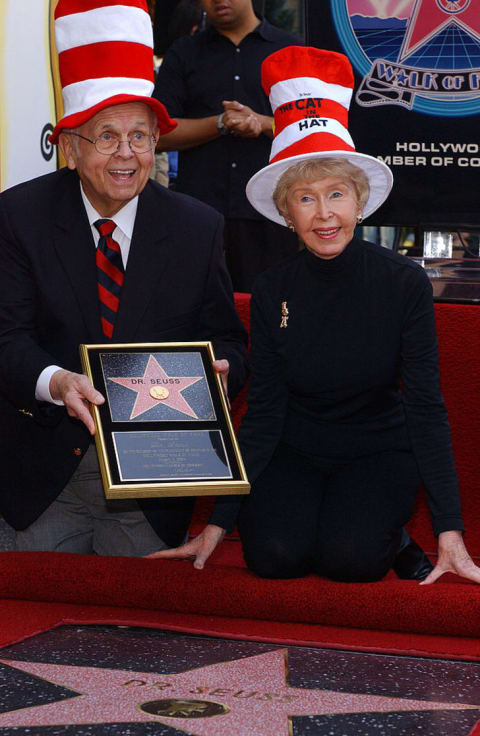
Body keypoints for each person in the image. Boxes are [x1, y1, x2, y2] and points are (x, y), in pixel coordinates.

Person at [150, 46, 480, 586]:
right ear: (285, 212)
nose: (324, 213)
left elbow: (425, 408)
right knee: (274, 559)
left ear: (359, 201)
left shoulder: (404, 283)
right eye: (305, 199)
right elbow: (263, 412)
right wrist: (215, 525)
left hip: (378, 450)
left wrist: (450, 532)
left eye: (336, 195)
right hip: (294, 448)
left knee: (351, 561)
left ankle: (395, 536)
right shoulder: (271, 287)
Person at [0, 0, 248, 557]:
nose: (126, 154)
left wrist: (223, 372)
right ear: (68, 146)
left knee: (138, 637)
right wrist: (57, 382)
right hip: (44, 477)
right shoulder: (19, 216)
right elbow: (6, 339)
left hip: (152, 488)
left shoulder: (197, 227)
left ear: (156, 143)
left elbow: (230, 339)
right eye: (106, 136)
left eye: (140, 136)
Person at [152, 0, 300, 292]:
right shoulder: (184, 53)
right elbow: (158, 134)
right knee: (195, 318)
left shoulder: (289, 50)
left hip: (272, 213)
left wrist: (262, 123)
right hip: (197, 216)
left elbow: (314, 128)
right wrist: (221, 123)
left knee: (270, 317)